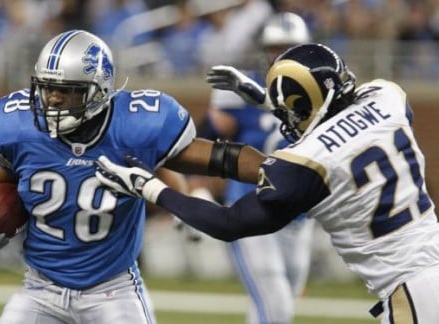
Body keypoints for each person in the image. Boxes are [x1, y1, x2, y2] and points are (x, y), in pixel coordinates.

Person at [94, 43, 439, 324]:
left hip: (413, 288)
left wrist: (150, 187)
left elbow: (228, 223)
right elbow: (341, 118)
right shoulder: (387, 97)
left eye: (290, 111)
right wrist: (265, 98)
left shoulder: (309, 161)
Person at [0, 30, 265, 324]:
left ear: (99, 90)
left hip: (112, 290)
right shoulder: (18, 126)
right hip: (39, 288)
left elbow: (219, 158)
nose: (53, 99)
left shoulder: (134, 124)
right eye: (47, 87)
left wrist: (276, 171)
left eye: (66, 90)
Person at [204, 12, 314, 324]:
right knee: (275, 303)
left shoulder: (320, 94)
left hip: (299, 216)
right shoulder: (243, 86)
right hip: (253, 206)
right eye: (275, 47)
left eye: (289, 47)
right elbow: (208, 135)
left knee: (280, 301)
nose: (280, 54)